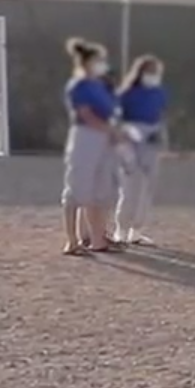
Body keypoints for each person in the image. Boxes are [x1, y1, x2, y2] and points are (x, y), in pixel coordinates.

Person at [60, 37, 119, 256]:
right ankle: (72, 239)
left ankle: (98, 239)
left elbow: (110, 110)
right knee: (77, 187)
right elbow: (85, 114)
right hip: (86, 136)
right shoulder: (79, 85)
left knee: (101, 188)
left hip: (103, 137)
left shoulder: (99, 85)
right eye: (98, 60)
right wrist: (110, 131)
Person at [111, 54, 166, 246]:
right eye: (150, 72)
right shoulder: (126, 94)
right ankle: (121, 228)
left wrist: (161, 136)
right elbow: (116, 118)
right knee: (129, 185)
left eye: (156, 73)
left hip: (150, 137)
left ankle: (136, 230)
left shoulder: (159, 92)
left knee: (147, 185)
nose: (154, 76)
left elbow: (160, 116)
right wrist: (121, 140)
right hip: (129, 135)